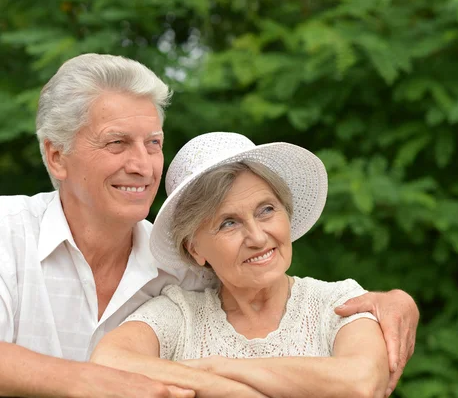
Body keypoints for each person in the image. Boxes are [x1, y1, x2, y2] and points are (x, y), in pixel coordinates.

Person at [0, 53, 419, 398]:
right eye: (117, 143)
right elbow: (111, 363)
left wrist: (399, 300)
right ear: (56, 157)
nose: (142, 165)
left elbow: (355, 372)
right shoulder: (7, 229)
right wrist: (83, 381)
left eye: (154, 143)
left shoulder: (189, 274)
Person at [91, 132, 389, 397]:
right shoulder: (179, 314)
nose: (258, 237)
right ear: (194, 249)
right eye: (229, 223)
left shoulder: (339, 303)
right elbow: (108, 362)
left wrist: (215, 368)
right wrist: (229, 389)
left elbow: (361, 383)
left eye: (267, 210)